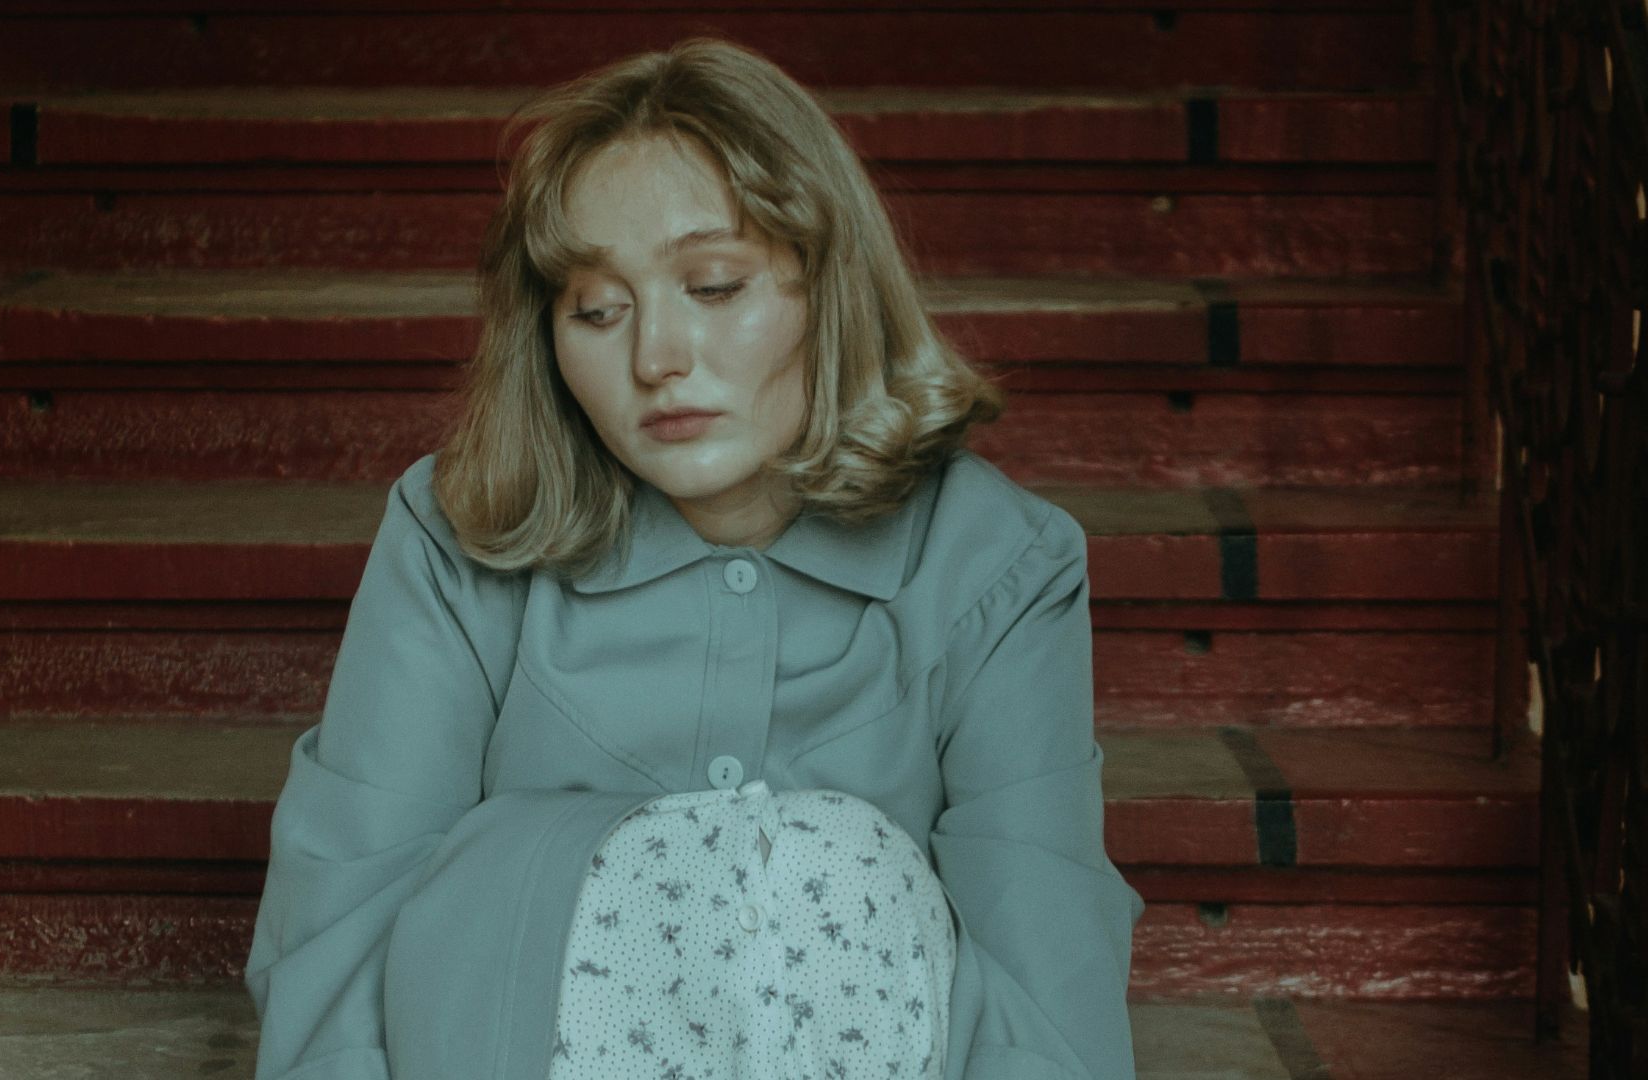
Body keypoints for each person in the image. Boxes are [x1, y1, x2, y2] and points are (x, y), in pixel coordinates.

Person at [245, 37, 1146, 1080]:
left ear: (829, 287)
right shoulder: (459, 531)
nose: (656, 359)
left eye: (714, 287)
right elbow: (344, 910)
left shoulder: (998, 561)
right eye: (598, 309)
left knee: (832, 860)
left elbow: (1044, 961)